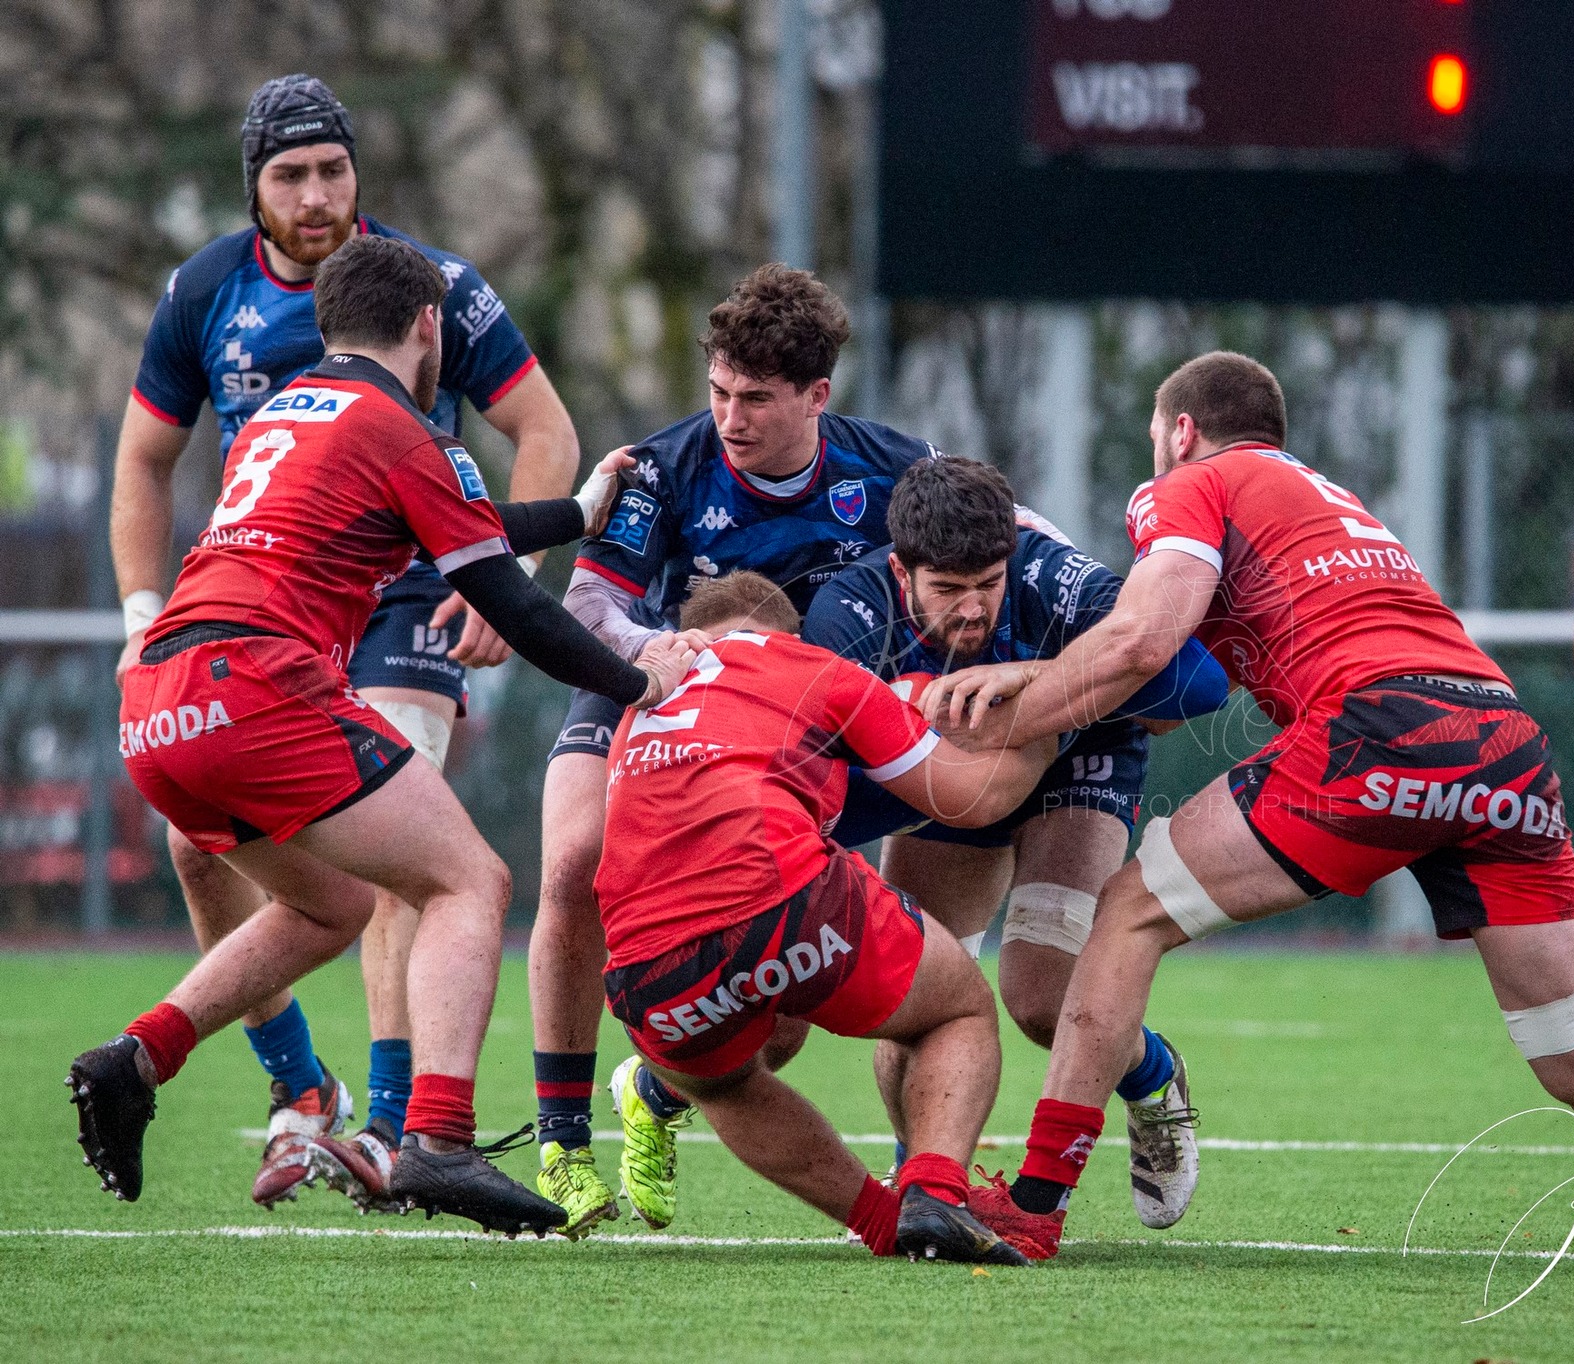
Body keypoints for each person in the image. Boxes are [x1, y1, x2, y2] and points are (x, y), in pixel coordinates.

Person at [922, 351, 1574, 1276]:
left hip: (1379, 727)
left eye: (1160, 436)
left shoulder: (1191, 482)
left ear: (1181, 430)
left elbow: (1142, 640)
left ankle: (1034, 1205)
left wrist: (1004, 719)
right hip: (1499, 737)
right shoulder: (1330, 499)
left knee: (1129, 911)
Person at [69, 234, 693, 1235]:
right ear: (427, 326)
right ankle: (436, 1140)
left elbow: (446, 515)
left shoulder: (284, 411)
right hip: (257, 684)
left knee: (333, 904)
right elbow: (510, 602)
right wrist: (636, 682)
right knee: (470, 881)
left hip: (157, 703)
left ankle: (137, 1056)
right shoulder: (406, 429)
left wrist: (576, 513)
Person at [111, 74, 581, 1205]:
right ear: (253, 188)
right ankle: (299, 1090)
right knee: (195, 847)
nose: (317, 195)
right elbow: (142, 459)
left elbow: (544, 429)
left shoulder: (426, 287)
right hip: (265, 607)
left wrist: (502, 581)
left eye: (333, 169)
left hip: (409, 591)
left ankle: (391, 1120)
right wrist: (138, 616)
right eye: (290, 176)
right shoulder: (203, 291)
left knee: (407, 831)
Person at [529, 265, 976, 1236]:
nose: (730, 417)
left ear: (817, 395)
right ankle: (561, 1142)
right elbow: (587, 607)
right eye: (719, 391)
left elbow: (984, 544)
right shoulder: (663, 468)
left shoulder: (897, 468)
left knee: (778, 1018)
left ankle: (656, 1086)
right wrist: (663, 650)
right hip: (647, 687)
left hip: (797, 726)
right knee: (572, 861)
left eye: (757, 399)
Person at [802, 455, 1227, 1228]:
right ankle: (923, 1180)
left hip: (1078, 751)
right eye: (947, 589)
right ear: (900, 571)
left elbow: (1200, 685)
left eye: (988, 584)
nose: (972, 610)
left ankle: (1153, 1077)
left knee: (1042, 998)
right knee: (912, 994)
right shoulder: (849, 613)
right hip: (944, 771)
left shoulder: (1050, 575)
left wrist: (1038, 675)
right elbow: (827, 781)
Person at [594, 572, 1055, 1264]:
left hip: (641, 968)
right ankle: (933, 1195)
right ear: (789, 635)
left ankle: (881, 1222)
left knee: (728, 1086)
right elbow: (973, 798)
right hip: (776, 896)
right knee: (956, 1009)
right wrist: (1047, 736)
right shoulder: (805, 664)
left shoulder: (641, 710)